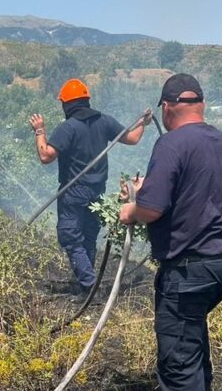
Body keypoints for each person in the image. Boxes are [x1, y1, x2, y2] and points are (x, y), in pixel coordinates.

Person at [118, 73, 222, 391]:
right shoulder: (221, 141)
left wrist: (130, 208)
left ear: (168, 107)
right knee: (192, 337)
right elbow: (196, 192)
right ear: (200, 105)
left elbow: (152, 210)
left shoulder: (170, 142)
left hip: (190, 267)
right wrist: (148, 191)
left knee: (177, 357)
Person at [29, 79, 148, 296]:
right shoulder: (104, 121)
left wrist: (39, 131)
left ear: (67, 104)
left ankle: (88, 285)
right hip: (97, 192)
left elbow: (46, 155)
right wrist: (142, 123)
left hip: (73, 192)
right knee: (88, 237)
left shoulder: (68, 127)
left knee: (71, 238)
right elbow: (132, 138)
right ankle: (86, 285)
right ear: (86, 100)